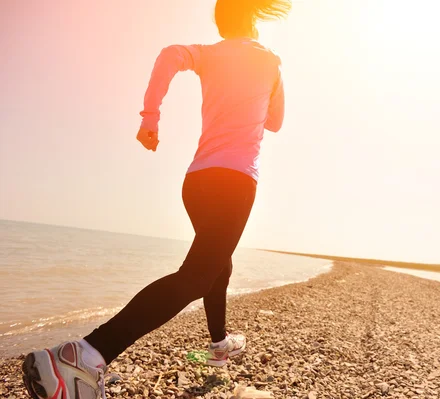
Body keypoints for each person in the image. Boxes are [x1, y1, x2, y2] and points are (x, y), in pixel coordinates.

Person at [21, 1, 290, 398]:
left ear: (222, 21)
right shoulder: (269, 62)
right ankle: (86, 354)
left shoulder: (208, 53)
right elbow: (276, 122)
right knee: (199, 274)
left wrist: (151, 117)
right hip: (235, 181)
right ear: (253, 18)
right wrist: (267, 85)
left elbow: (169, 55)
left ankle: (219, 345)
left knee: (217, 265)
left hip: (197, 182)